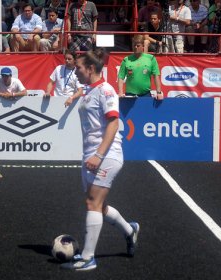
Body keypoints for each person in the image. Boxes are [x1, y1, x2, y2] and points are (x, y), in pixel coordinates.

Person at [60, 48, 140, 271]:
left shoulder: (106, 91)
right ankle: (129, 230)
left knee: (91, 203)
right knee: (100, 206)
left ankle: (88, 257)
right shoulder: (88, 90)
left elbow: (113, 124)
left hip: (106, 155)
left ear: (91, 68)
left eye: (78, 67)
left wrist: (98, 154)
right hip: (91, 155)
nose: (75, 71)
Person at [117, 35, 163, 99]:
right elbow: (121, 77)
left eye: (138, 45)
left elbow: (156, 76)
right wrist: (120, 92)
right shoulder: (126, 60)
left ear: (143, 46)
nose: (136, 47)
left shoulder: (151, 58)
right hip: (130, 95)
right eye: (134, 45)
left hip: (145, 95)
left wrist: (159, 93)